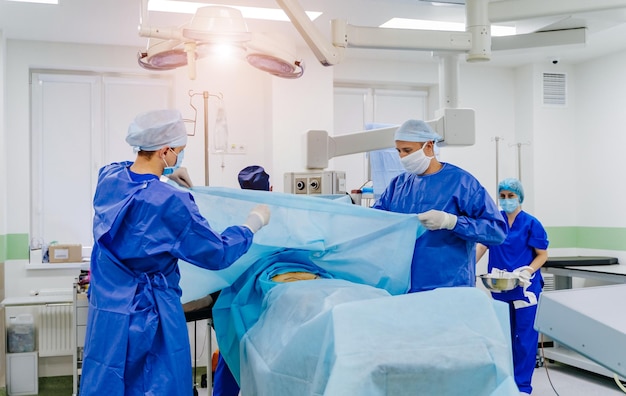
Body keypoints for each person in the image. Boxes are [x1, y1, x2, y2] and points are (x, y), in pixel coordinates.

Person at [79, 109, 270, 396]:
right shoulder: (169, 201)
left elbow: (130, 171)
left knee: (109, 375)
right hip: (149, 313)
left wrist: (165, 176)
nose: (179, 158)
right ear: (165, 151)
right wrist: (252, 224)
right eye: (178, 152)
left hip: (109, 307)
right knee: (154, 381)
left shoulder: (110, 178)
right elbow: (216, 252)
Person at [372, 119, 507, 292]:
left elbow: (496, 231)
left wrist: (451, 222)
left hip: (449, 287)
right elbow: (374, 221)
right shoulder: (398, 185)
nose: (402, 157)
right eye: (398, 151)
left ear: (428, 146)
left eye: (407, 150)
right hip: (403, 286)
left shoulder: (461, 183)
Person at [476, 178, 549, 396]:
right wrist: (467, 269)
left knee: (524, 338)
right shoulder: (495, 222)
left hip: (525, 289)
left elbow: (542, 255)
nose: (506, 200)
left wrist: (528, 270)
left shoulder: (531, 223)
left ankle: (523, 388)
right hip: (500, 288)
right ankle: (505, 383)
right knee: (503, 337)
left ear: (520, 197)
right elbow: (482, 246)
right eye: (503, 196)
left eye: (511, 196)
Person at [213, 165, 272, 396]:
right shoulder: (264, 219)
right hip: (261, 300)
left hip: (235, 303)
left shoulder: (231, 221)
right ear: (272, 188)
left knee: (232, 353)